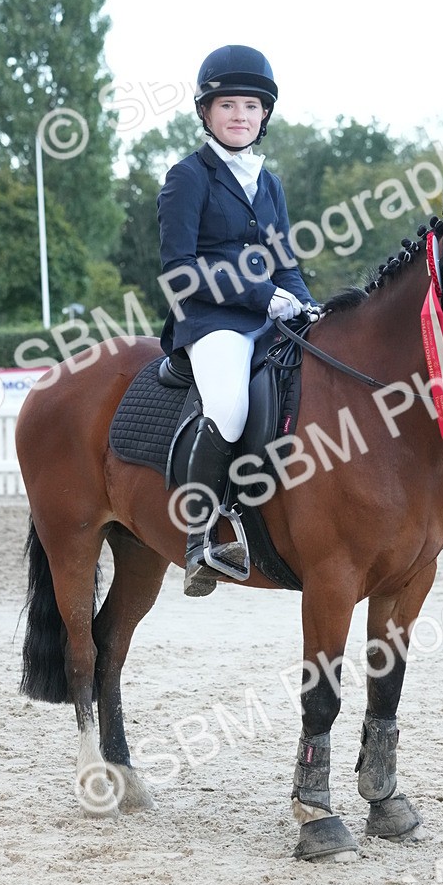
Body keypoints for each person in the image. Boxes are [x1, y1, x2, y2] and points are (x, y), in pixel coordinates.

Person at [157, 45, 316, 597]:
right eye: (228, 105)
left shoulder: (268, 183)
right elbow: (179, 270)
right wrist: (260, 296)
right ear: (206, 113)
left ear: (265, 114)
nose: (240, 115)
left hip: (268, 316)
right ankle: (201, 536)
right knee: (228, 404)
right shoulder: (187, 177)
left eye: (251, 105)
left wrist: (307, 307)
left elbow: (286, 263)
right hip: (210, 322)